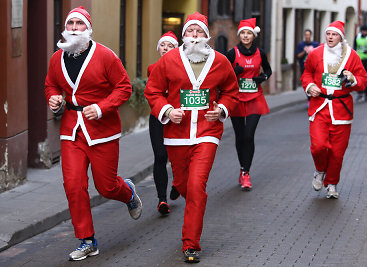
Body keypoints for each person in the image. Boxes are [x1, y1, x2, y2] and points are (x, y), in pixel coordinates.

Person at [44, 6, 142, 261]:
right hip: (71, 130)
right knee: (74, 185)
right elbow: (51, 83)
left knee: (107, 187)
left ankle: (128, 192)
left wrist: (101, 108)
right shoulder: (57, 58)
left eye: (79, 23)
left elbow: (124, 88)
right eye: (71, 24)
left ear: (88, 28)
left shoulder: (106, 56)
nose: (74, 28)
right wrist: (53, 98)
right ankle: (87, 240)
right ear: (65, 29)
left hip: (102, 130)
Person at [144, 12, 238, 263]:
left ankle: (191, 243)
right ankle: (182, 188)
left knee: (197, 187)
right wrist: (167, 110)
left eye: (199, 32)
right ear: (183, 36)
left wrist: (222, 110)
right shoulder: (169, 60)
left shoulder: (220, 61)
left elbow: (231, 91)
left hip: (208, 132)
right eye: (190, 32)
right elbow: (152, 91)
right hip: (176, 135)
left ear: (206, 35)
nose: (194, 37)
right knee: (186, 185)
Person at [301, 21, 367, 199]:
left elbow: (364, 80)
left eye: (334, 34)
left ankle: (332, 183)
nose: (330, 37)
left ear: (341, 37)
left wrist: (353, 78)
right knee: (318, 147)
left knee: (337, 153)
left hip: (341, 110)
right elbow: (306, 73)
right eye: (328, 34)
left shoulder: (352, 56)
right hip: (320, 107)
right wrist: (309, 86)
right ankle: (320, 170)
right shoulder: (316, 54)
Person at [225, 18, 272, 190]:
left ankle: (246, 172)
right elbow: (222, 74)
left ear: (253, 35)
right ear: (239, 35)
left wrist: (263, 78)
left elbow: (268, 70)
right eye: (243, 33)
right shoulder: (232, 53)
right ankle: (242, 168)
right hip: (236, 99)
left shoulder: (260, 52)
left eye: (248, 33)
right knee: (240, 136)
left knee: (249, 135)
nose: (245, 36)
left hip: (255, 98)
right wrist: (233, 72)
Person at [147, 31, 179, 215]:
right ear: (158, 47)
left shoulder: (182, 68)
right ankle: (162, 200)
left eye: (170, 46)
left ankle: (178, 184)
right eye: (163, 45)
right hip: (158, 116)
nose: (165, 48)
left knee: (176, 156)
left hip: (177, 117)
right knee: (160, 156)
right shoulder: (152, 68)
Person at [296, 29, 319, 105]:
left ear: (311, 35)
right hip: (304, 67)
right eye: (306, 35)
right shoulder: (301, 45)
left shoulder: (315, 44)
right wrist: (304, 51)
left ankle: (313, 98)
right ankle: (309, 98)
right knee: (305, 83)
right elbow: (298, 56)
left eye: (308, 35)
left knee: (314, 82)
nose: (307, 36)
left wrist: (312, 51)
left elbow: (319, 56)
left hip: (314, 68)